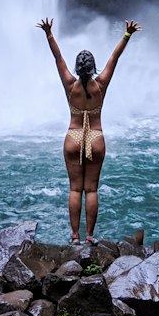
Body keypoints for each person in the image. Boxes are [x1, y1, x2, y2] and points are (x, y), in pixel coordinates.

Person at [37, 17, 140, 244]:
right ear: (93, 67)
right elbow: (114, 58)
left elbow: (58, 58)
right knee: (91, 190)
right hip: (95, 136)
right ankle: (90, 236)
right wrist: (127, 35)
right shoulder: (101, 85)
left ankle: (74, 237)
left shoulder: (69, 84)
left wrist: (48, 33)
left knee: (75, 190)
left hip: (73, 136)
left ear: (77, 67)